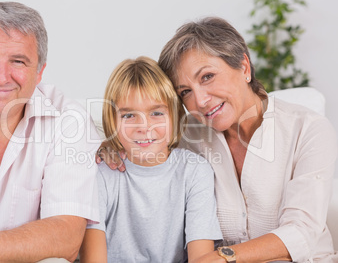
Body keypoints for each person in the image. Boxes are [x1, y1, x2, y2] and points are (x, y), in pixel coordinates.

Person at [98, 17, 338, 262]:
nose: (200, 101)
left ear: (244, 67)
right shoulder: (185, 133)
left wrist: (223, 257)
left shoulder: (308, 129)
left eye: (207, 77)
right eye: (185, 92)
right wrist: (112, 146)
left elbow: (301, 231)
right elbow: (143, 126)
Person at [0, 2, 100, 263]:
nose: (1, 77)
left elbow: (66, 238)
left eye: (18, 61)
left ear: (39, 72)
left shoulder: (67, 121)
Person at [79, 56, 222, 263]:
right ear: (112, 121)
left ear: (174, 116)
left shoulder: (194, 171)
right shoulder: (100, 173)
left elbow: (201, 258)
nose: (144, 126)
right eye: (129, 116)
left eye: (156, 113)